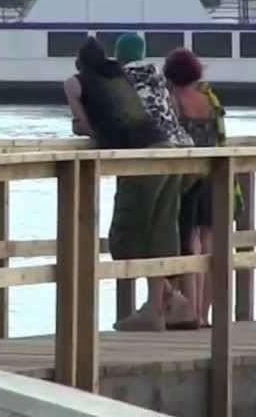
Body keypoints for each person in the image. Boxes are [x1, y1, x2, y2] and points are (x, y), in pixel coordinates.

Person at [63, 38, 185, 331]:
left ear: (79, 63)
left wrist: (84, 129)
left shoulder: (74, 82)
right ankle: (171, 300)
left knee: (128, 231)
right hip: (168, 149)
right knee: (160, 228)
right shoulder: (120, 75)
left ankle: (156, 309)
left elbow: (85, 124)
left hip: (140, 157)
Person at [164, 48, 225, 328]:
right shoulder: (208, 100)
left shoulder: (174, 100)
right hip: (213, 175)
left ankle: (190, 310)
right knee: (211, 245)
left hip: (187, 178)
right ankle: (205, 313)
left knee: (190, 242)